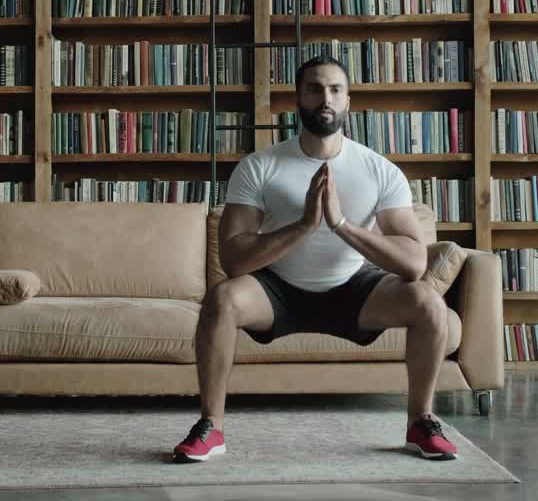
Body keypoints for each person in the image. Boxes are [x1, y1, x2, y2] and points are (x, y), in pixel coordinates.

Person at [171, 55, 456, 463]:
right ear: (298, 99)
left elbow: (413, 263)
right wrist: (304, 225)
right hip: (278, 290)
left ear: (348, 101)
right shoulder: (259, 167)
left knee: (428, 302)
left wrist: (340, 224)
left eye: (335, 90)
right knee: (222, 298)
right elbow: (234, 259)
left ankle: (420, 422)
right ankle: (210, 427)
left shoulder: (379, 170)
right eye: (315, 88)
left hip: (354, 289)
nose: (326, 98)